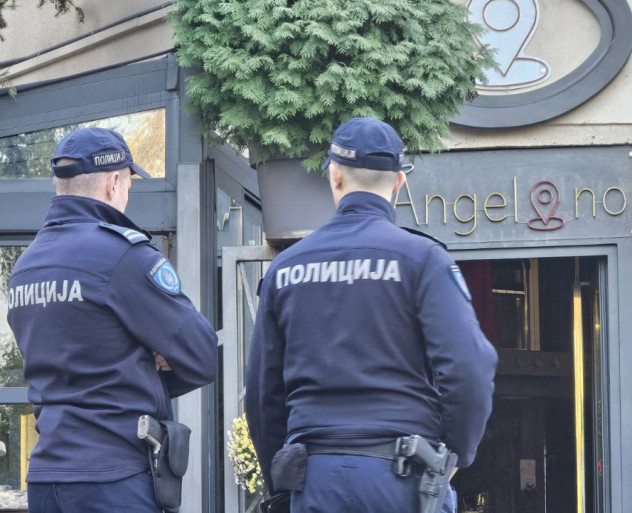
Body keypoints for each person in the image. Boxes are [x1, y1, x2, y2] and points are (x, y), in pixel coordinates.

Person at [245, 117, 498, 513]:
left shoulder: (286, 268)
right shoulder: (423, 260)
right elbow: (468, 366)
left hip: (315, 479)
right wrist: (454, 454)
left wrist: (282, 481)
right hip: (402, 479)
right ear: (399, 182)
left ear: (334, 175)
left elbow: (263, 393)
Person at [5, 127, 218, 512]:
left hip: (46, 479)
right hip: (113, 479)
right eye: (128, 185)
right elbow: (201, 353)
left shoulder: (26, 267)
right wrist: (151, 363)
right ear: (113, 183)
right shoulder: (123, 255)